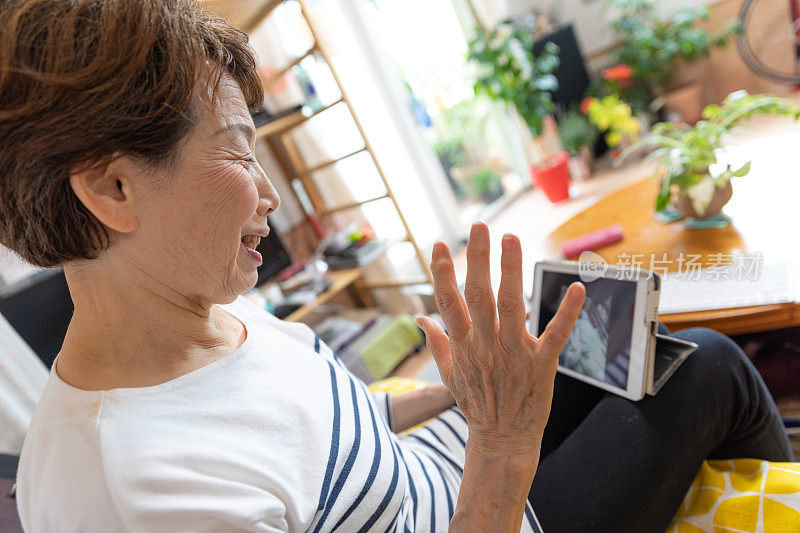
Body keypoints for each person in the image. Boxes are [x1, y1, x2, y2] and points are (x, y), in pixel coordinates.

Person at [0, 1, 791, 532]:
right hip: (492, 501)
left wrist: (465, 385)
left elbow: (323, 427)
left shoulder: (203, 306)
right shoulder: (136, 493)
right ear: (112, 187)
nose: (271, 194)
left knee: (645, 350)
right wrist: (504, 437)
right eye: (240, 149)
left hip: (453, 460)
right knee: (710, 367)